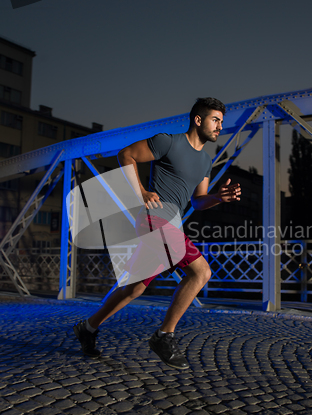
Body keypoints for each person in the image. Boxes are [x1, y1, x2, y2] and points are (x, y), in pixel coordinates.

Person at [73, 97, 241, 369]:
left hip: (172, 225)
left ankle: (88, 328)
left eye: (222, 121)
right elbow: (125, 155)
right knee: (201, 272)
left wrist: (219, 198)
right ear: (198, 120)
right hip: (154, 219)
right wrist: (140, 191)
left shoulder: (206, 161)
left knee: (135, 288)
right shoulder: (168, 142)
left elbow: (198, 201)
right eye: (215, 120)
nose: (220, 126)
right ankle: (164, 336)